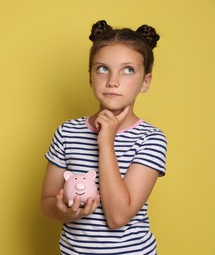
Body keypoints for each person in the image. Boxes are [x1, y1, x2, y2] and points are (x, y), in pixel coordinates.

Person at [40, 20, 167, 254]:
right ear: (90, 77)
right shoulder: (67, 132)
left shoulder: (151, 139)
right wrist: (64, 212)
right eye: (102, 68)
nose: (113, 81)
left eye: (128, 70)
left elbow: (118, 216)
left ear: (145, 82)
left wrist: (106, 143)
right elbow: (47, 205)